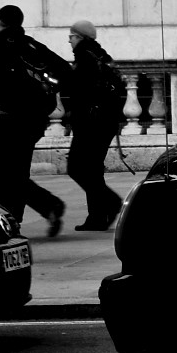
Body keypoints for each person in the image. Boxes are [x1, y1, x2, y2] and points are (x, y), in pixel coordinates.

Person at [0, 4, 72, 236]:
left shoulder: (1, 45)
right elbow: (65, 70)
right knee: (16, 172)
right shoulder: (31, 44)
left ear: (0, 22)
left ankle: (21, 219)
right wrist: (47, 96)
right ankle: (44, 209)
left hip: (6, 121)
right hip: (34, 119)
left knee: (2, 174)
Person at [64, 19, 126, 230]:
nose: (69, 40)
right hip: (105, 122)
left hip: (91, 123)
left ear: (79, 37)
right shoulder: (102, 55)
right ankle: (97, 217)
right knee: (91, 169)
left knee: (76, 168)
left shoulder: (85, 57)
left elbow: (81, 90)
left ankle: (111, 202)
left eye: (71, 36)